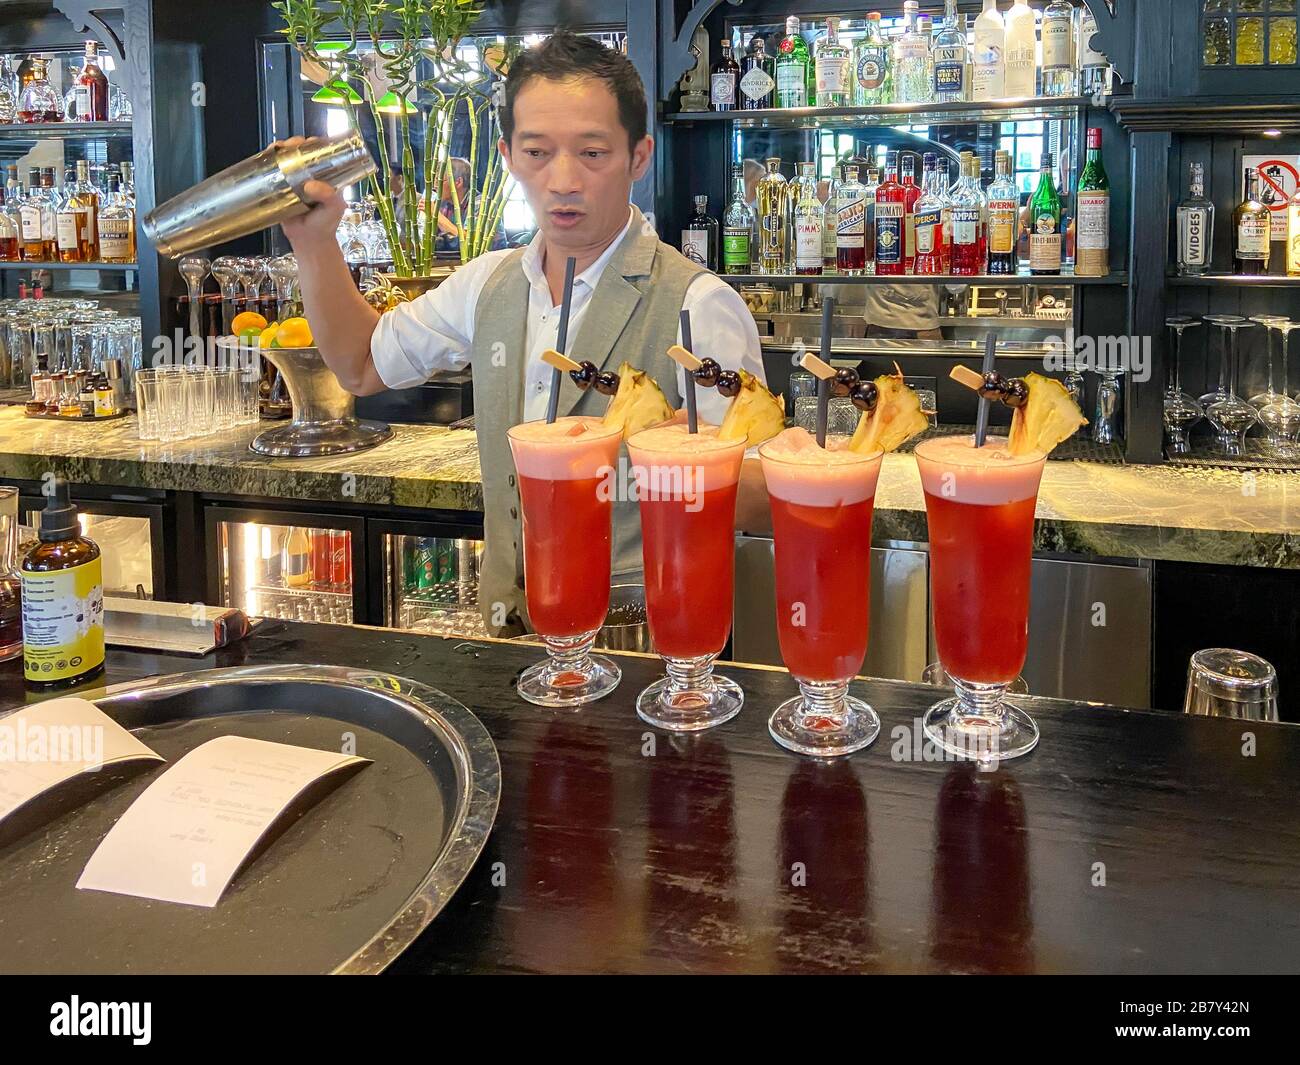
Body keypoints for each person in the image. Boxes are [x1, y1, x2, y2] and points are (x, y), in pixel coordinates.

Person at [278, 32, 768, 636]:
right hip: (509, 627)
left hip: (645, 637)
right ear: (509, 157)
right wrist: (313, 240)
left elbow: (759, 498)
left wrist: (683, 457)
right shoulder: (487, 284)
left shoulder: (698, 304)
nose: (563, 180)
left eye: (593, 153)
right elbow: (359, 365)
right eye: (537, 153)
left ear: (639, 157)